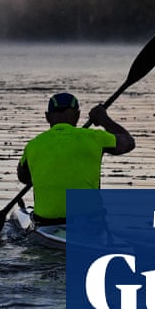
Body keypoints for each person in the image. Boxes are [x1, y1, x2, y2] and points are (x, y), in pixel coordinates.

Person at [16, 92, 135, 223]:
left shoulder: (33, 145)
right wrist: (104, 119)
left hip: (46, 222)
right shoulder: (94, 138)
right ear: (77, 115)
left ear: (47, 117)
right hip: (89, 221)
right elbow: (128, 143)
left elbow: (24, 178)